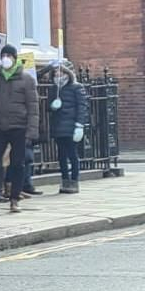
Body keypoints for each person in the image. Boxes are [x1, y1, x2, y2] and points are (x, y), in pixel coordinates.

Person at [0, 45, 38, 213]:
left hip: (19, 127)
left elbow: (33, 107)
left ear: (15, 58)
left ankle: (14, 199)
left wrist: (31, 131)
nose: (6, 58)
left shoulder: (26, 80)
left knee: (17, 164)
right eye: (3, 55)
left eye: (9, 56)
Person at [46, 61, 89, 194]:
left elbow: (82, 107)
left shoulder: (76, 87)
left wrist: (79, 125)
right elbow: (48, 107)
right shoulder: (54, 89)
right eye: (55, 72)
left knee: (72, 154)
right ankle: (65, 180)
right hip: (58, 126)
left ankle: (74, 181)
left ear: (66, 73)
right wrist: (52, 106)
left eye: (60, 71)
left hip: (71, 126)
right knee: (61, 155)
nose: (57, 74)